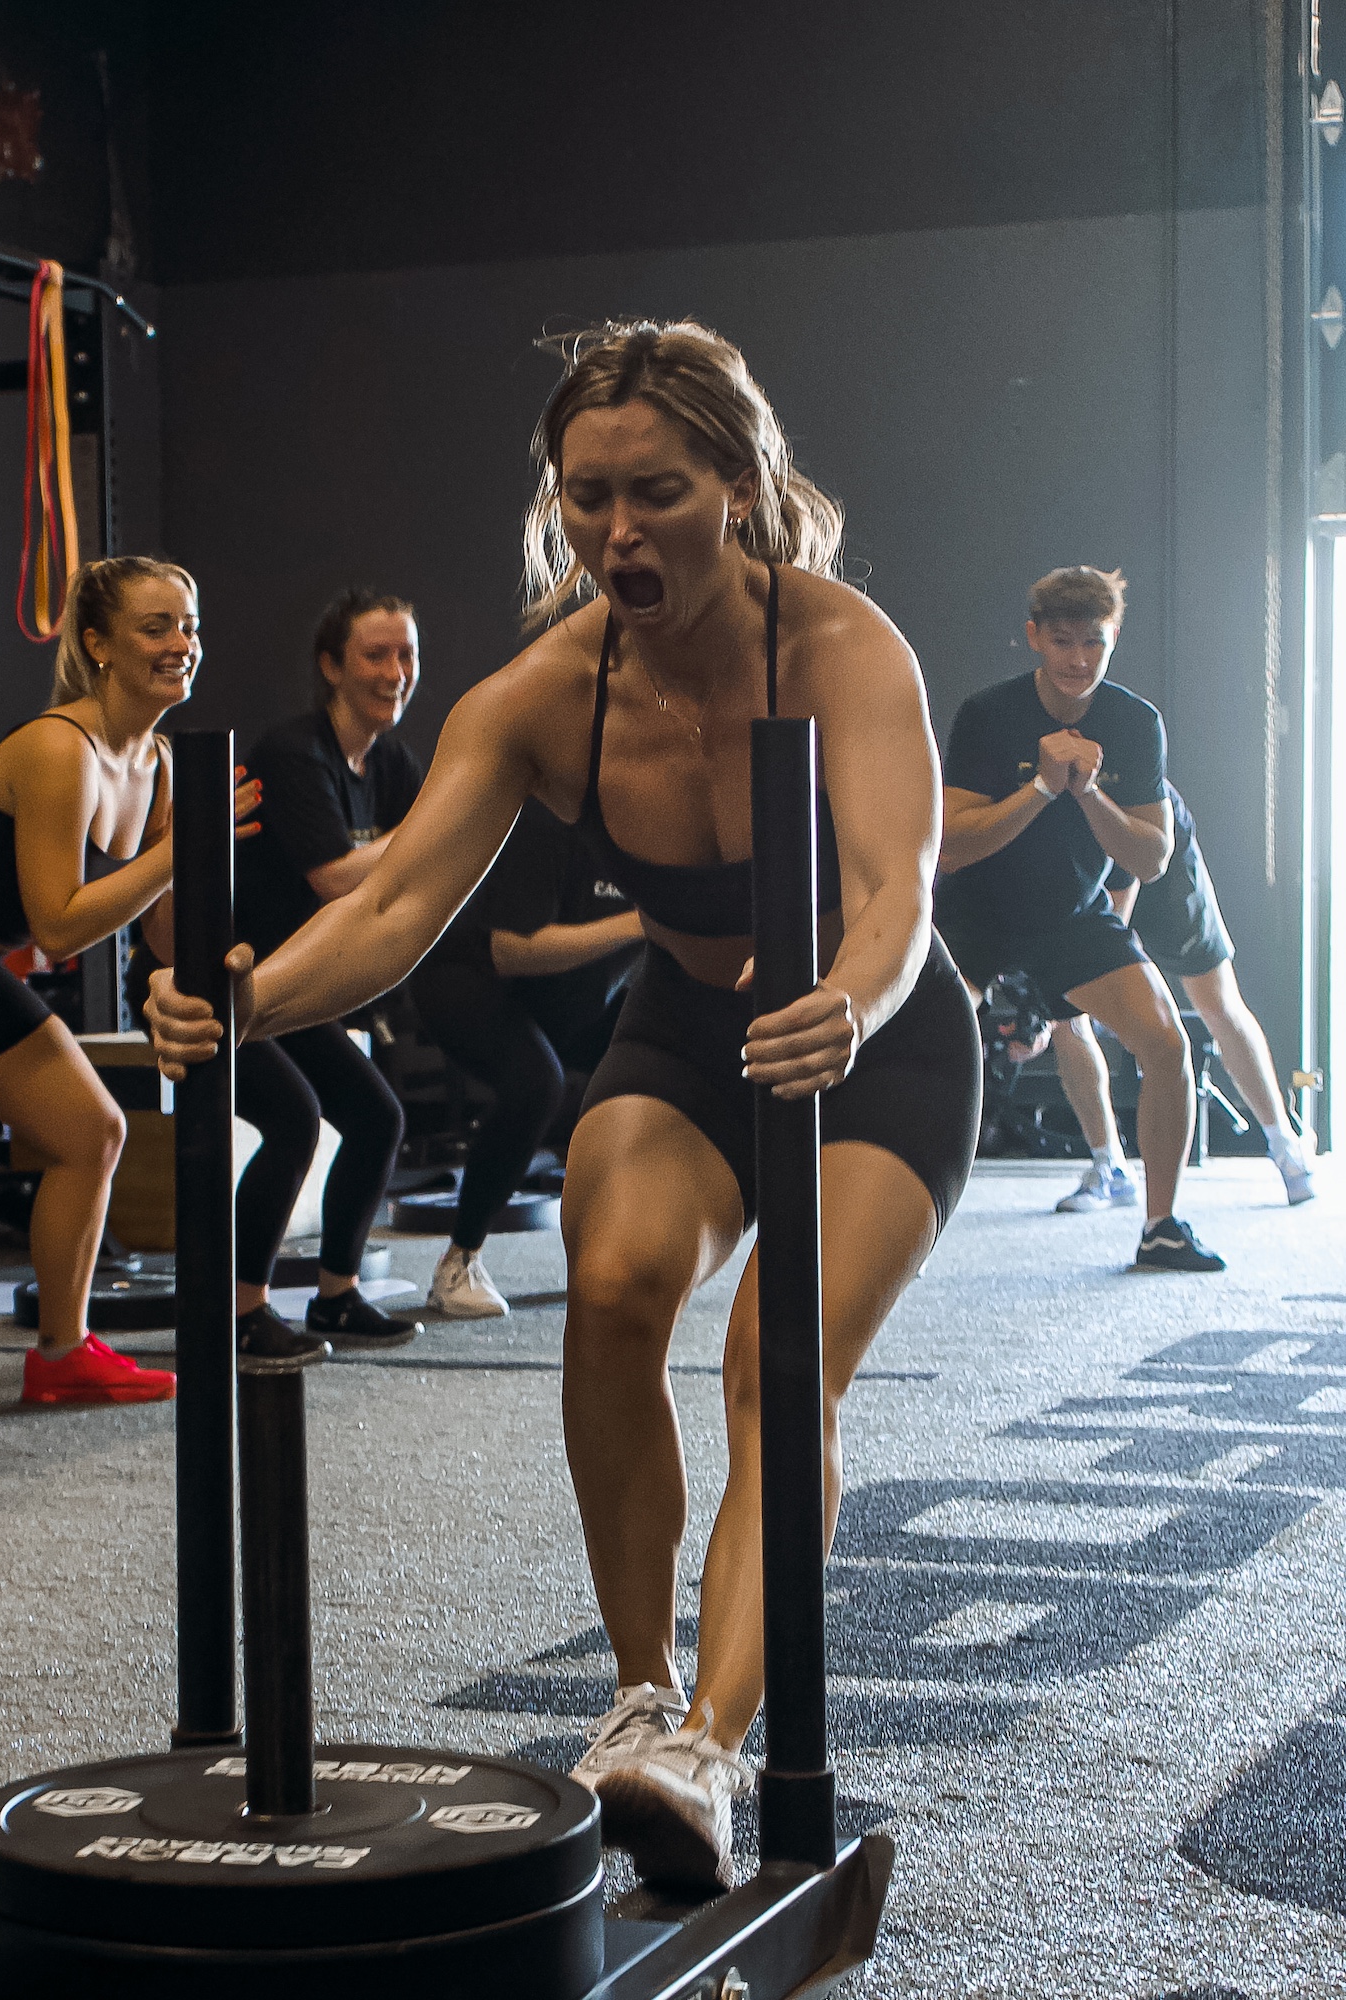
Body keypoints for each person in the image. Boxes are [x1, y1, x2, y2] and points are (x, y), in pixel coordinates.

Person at [145, 320, 982, 1890]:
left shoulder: (844, 646)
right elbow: (393, 912)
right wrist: (243, 996)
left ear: (734, 482)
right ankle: (639, 1694)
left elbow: (900, 891)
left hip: (874, 1036)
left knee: (771, 1362)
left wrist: (846, 1006)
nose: (615, 531)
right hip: (687, 1024)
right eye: (585, 494)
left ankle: (713, 1749)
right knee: (608, 1286)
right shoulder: (544, 688)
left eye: (653, 492)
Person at [0, 557, 251, 1417]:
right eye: (157, 628)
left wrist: (225, 942)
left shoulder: (155, 760)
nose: (182, 645)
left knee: (93, 1132)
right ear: (98, 645)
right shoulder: (58, 748)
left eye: (190, 627)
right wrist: (177, 851)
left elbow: (156, 931)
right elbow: (60, 926)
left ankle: (63, 1352)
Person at [935, 565, 1223, 1271]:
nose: (1078, 659)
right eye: (1062, 641)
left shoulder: (1133, 722)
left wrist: (1088, 792)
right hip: (975, 909)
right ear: (1034, 638)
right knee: (914, 1049)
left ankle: (1161, 1225)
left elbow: (1151, 859)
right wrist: (1040, 786)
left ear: (1113, 637)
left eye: (1093, 642)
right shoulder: (987, 713)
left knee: (1167, 1047)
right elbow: (951, 847)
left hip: (1070, 911)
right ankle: (893, 1220)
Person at [225, 588, 430, 1353]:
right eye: (376, 654)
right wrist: (425, 829)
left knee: (377, 1118)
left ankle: (336, 1297)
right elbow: (337, 878)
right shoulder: (292, 753)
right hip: (228, 984)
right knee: (294, 1119)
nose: (396, 671)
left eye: (406, 653)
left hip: (296, 987)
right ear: (331, 666)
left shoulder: (389, 763)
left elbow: (426, 868)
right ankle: (241, 1309)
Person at [410, 800, 642, 1316]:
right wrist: (637, 924)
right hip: (469, 976)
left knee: (646, 1068)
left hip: (571, 991)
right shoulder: (548, 821)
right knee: (535, 1085)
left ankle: (607, 1255)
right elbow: (512, 947)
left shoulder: (661, 831)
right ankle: (458, 1263)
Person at [1049, 780, 1313, 1210]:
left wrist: (1094, 976)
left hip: (1159, 857)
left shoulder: (1129, 738)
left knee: (1217, 1001)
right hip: (1082, 859)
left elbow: (1124, 890)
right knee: (1065, 1018)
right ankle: (1110, 1168)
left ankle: (1286, 1146)